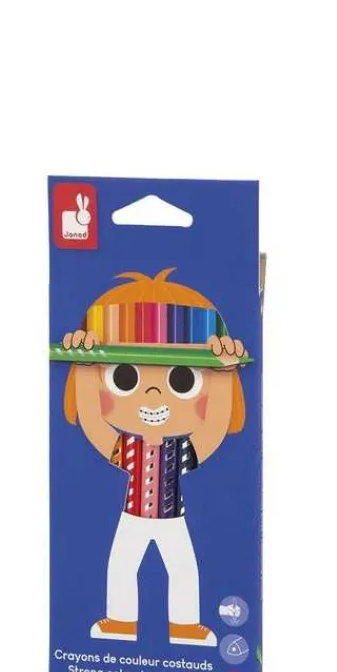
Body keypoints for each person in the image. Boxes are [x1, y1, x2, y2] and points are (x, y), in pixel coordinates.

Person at [62, 269, 246, 646]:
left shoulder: (179, 451)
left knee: (182, 566)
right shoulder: (128, 449)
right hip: (133, 515)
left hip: (172, 516)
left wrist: (224, 374)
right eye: (124, 377)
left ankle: (185, 625)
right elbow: (94, 423)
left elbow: (213, 428)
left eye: (183, 380)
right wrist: (85, 366)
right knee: (122, 563)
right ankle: (120, 621)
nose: (151, 394)